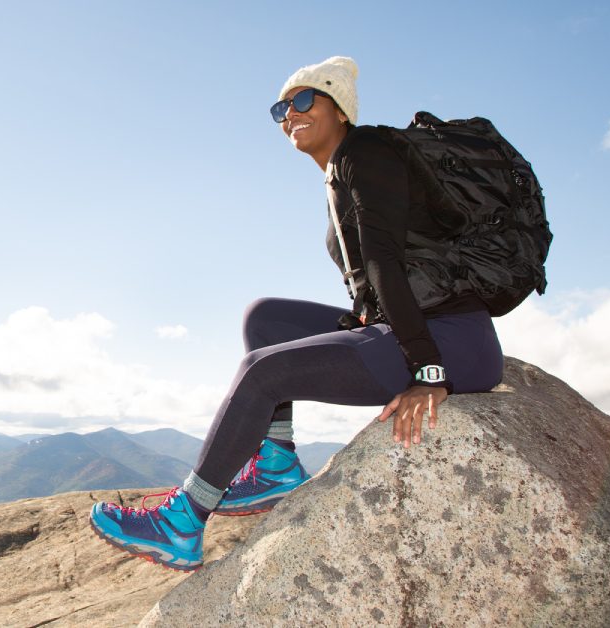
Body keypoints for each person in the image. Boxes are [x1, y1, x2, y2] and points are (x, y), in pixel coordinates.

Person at [89, 56, 505, 572]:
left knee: (263, 372)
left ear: (341, 110)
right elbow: (388, 268)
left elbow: (384, 260)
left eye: (306, 100)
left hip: (452, 341)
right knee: (264, 318)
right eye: (282, 107)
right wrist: (364, 317)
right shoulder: (339, 176)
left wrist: (428, 371)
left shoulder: (367, 152)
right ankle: (277, 464)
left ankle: (183, 521)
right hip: (412, 324)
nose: (291, 114)